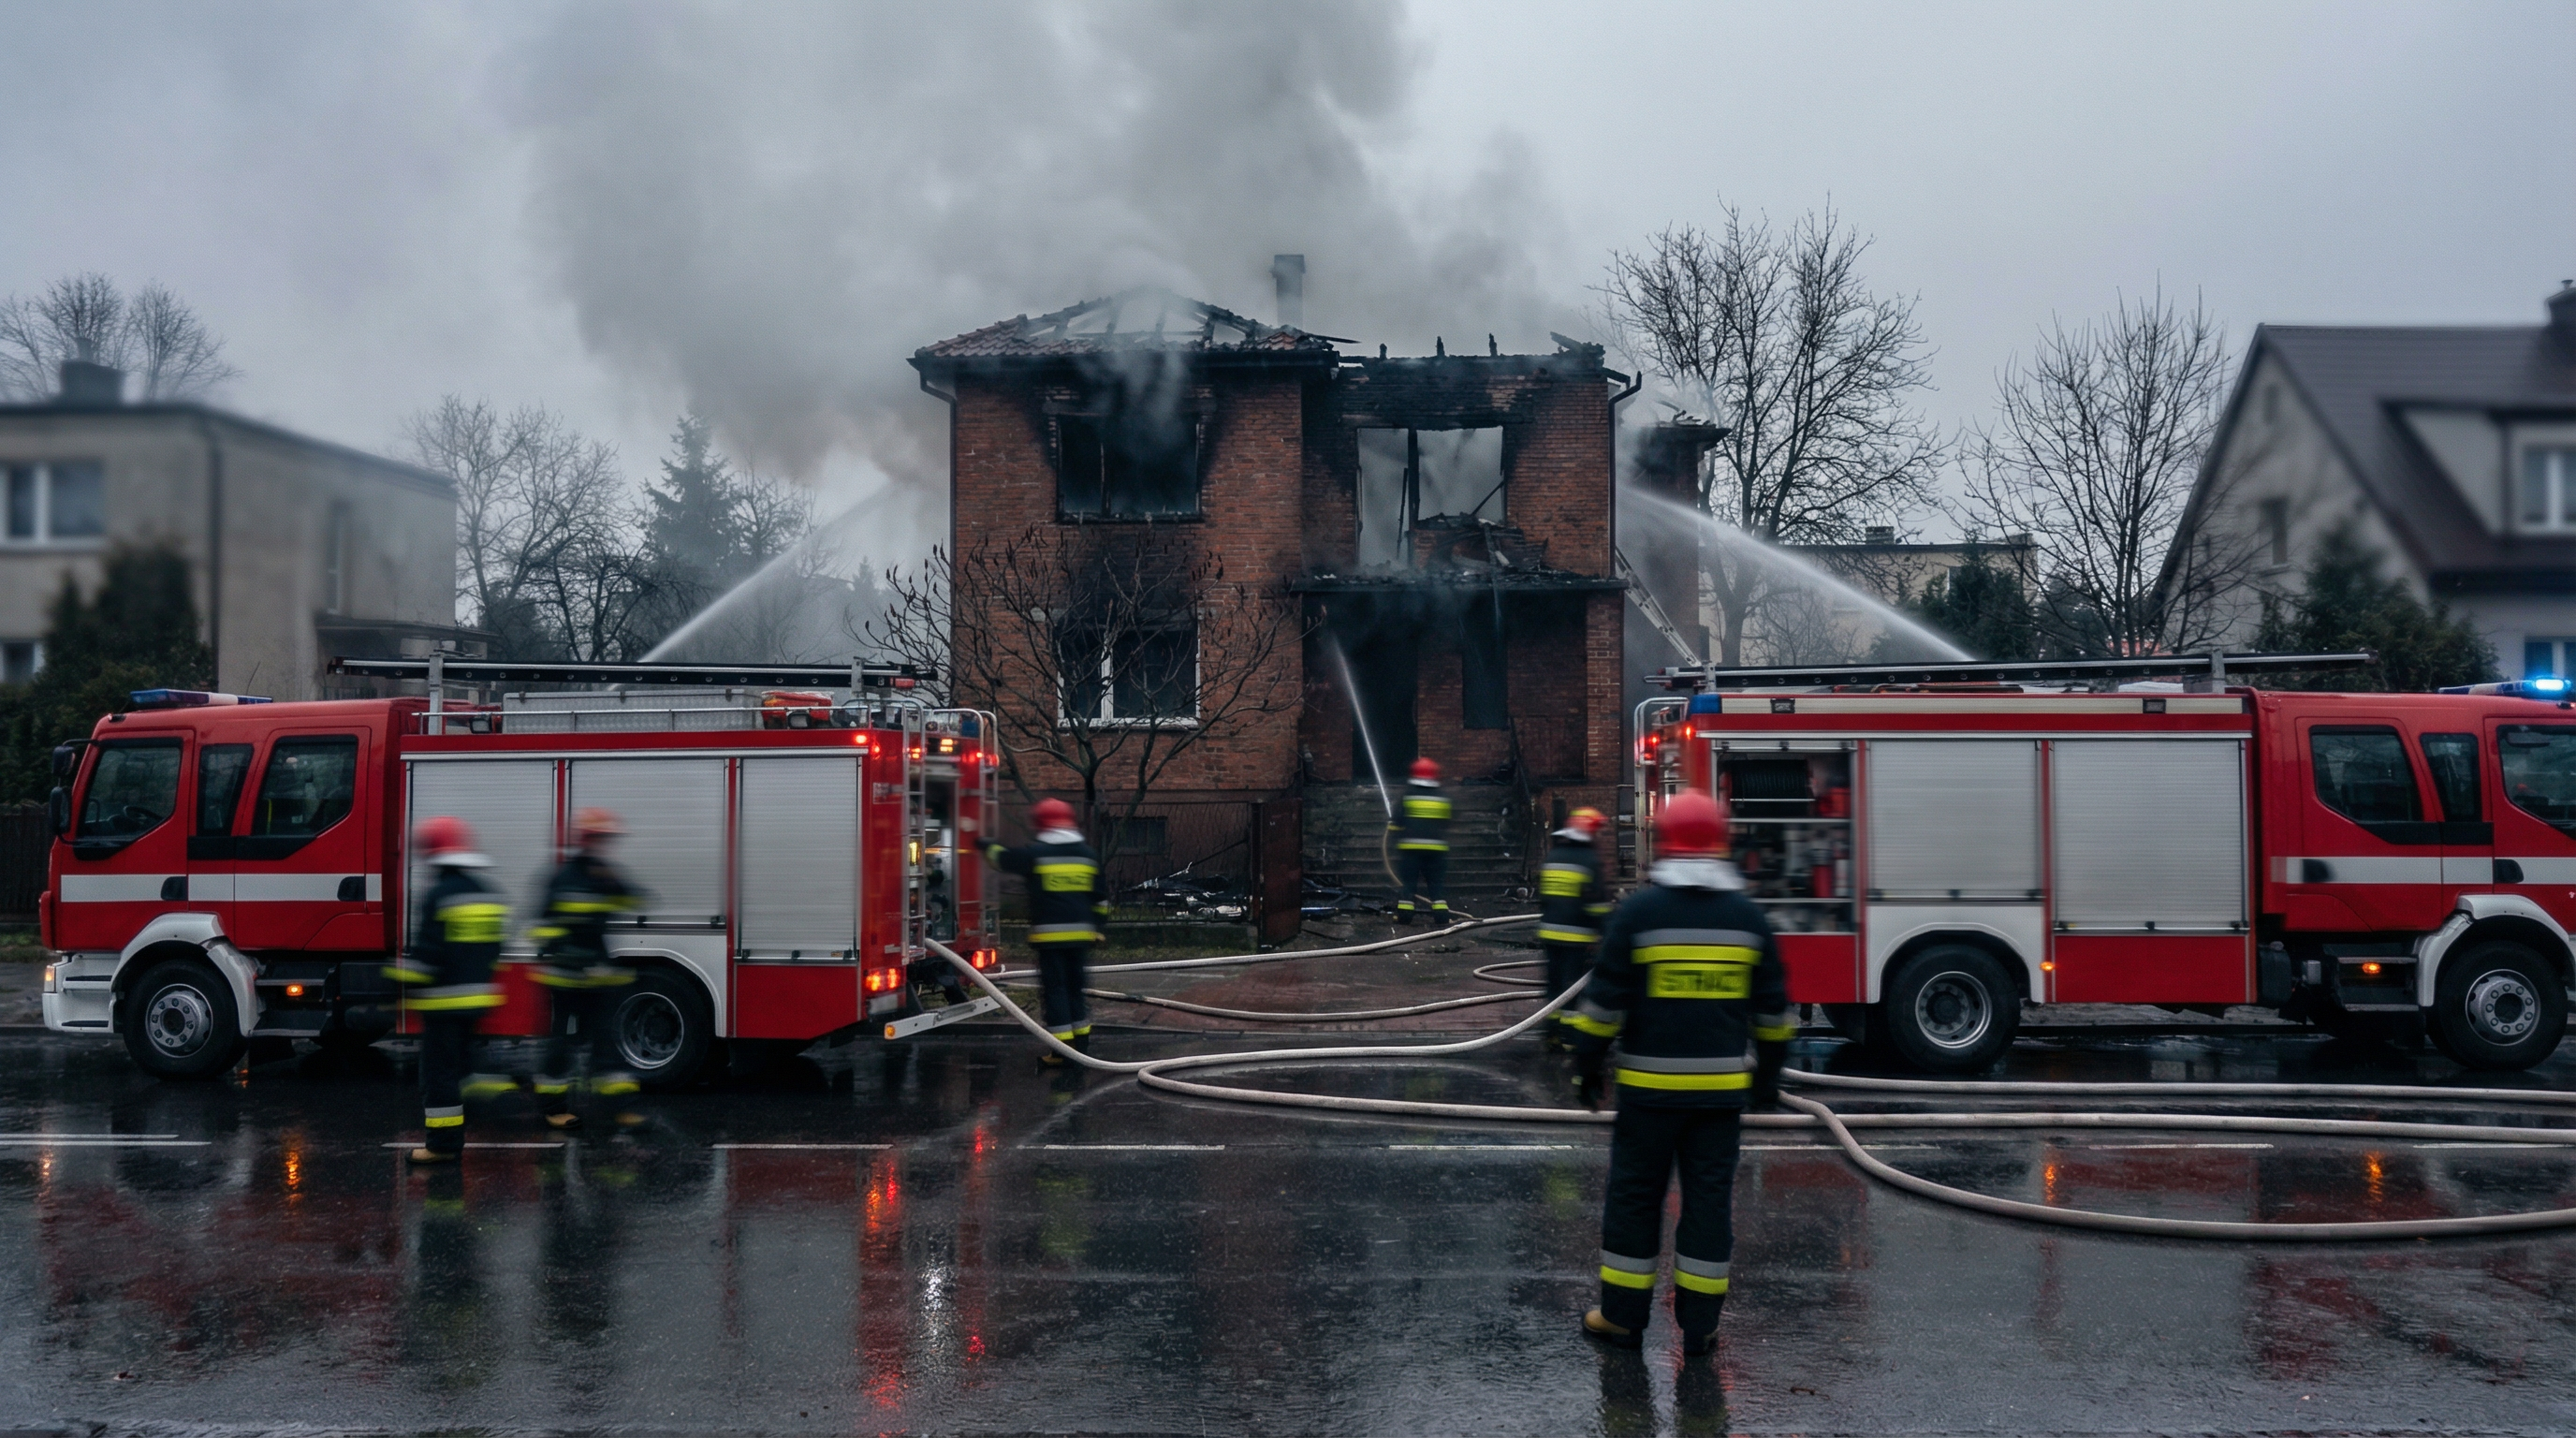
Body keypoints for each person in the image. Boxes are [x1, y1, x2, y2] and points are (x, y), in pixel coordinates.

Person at [1562, 790, 1793, 1357]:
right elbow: (1774, 1015)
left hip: (1648, 1097)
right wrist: (1767, 1082)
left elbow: (1602, 1007)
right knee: (1708, 1206)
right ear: (1720, 843)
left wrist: (1586, 1070)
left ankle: (1621, 1318)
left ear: (1664, 843)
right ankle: (1700, 1326)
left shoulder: (1639, 914)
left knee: (1635, 1200)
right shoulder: (1749, 919)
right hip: (1719, 1100)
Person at [386, 816, 507, 1164]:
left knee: (438, 1076)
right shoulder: (486, 891)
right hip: (478, 999)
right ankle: (492, 1098)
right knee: (462, 1068)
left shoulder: (439, 894)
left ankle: (442, 1145)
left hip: (444, 1003)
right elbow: (495, 948)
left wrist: (396, 977)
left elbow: (430, 955)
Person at [530, 807, 643, 1128]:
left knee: (606, 1044)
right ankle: (554, 1109)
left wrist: (617, 885)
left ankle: (619, 1107)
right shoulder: (563, 877)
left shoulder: (604, 875)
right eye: (600, 838)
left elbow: (634, 901)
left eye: (607, 839)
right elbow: (542, 928)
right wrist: (571, 955)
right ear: (586, 839)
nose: (605, 845)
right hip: (566, 980)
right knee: (561, 1047)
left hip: (597, 979)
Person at [982, 798, 1105, 1062]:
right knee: (1075, 990)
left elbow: (1003, 860)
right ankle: (1081, 1047)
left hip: (1050, 938)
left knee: (1056, 992)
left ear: (1041, 825)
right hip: (1082, 936)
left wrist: (982, 843)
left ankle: (1061, 1052)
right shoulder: (1088, 855)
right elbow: (1101, 899)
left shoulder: (1036, 854)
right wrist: (1098, 927)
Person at [1538, 807, 1613, 1047]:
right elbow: (1597, 906)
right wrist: (1606, 934)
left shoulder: (1553, 856)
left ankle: (1551, 1034)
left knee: (1554, 984)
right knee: (1572, 989)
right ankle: (1569, 1039)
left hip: (1549, 933)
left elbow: (1543, 898)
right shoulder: (1590, 861)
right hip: (1577, 938)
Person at [1391, 756, 1452, 921]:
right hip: (1436, 851)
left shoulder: (1408, 795)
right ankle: (1441, 916)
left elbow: (1397, 821)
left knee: (1409, 883)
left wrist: (1394, 829)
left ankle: (1405, 916)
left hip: (1411, 851)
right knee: (1436, 886)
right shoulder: (1442, 797)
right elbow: (1447, 822)